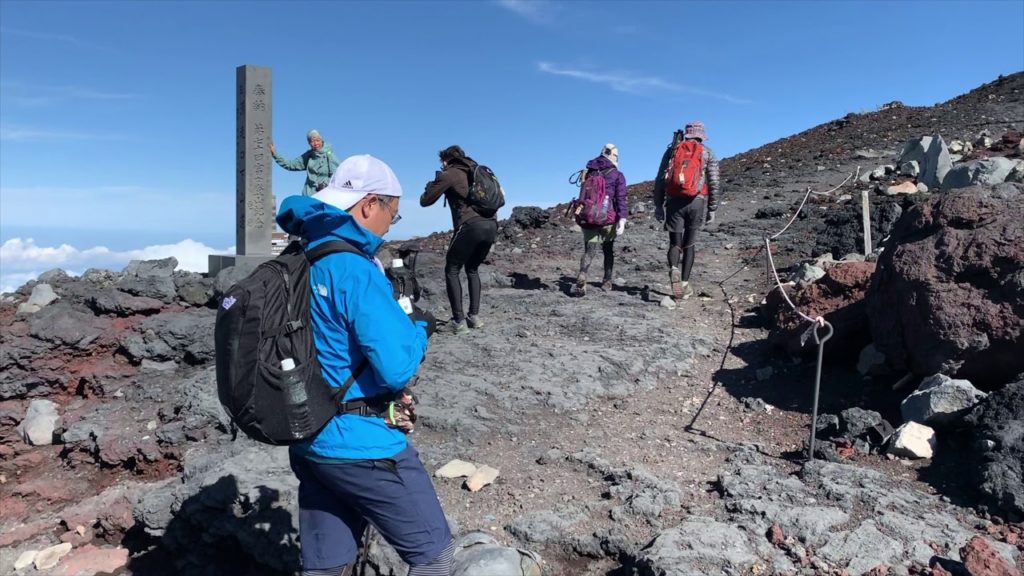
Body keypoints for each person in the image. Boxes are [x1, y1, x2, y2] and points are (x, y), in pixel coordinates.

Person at [275, 155, 454, 576]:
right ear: (370, 204)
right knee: (434, 557)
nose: (392, 223)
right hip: (362, 447)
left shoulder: (302, 257)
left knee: (327, 566)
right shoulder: (354, 268)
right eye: (393, 211)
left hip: (309, 435)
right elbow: (395, 367)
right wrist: (420, 330)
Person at [420, 145, 498, 335]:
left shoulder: (450, 174)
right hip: (491, 225)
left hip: (470, 225)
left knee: (452, 269)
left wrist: (432, 184)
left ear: (446, 160)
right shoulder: (476, 171)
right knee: (472, 268)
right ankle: (474, 317)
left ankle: (459, 321)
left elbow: (425, 200)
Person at [652, 121, 720, 299]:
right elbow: (713, 182)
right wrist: (712, 208)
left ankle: (674, 268)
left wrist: (658, 205)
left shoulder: (673, 150)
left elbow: (660, 178)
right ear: (701, 135)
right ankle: (684, 283)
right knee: (689, 244)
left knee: (675, 243)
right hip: (696, 202)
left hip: (674, 202)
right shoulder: (707, 153)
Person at [572, 144, 628, 296]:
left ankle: (583, 274)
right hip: (608, 217)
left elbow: (583, 194)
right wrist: (622, 218)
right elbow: (621, 198)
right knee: (608, 249)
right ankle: (607, 281)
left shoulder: (589, 171)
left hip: (588, 216)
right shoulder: (617, 174)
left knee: (589, 249)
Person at [270, 129, 341, 196]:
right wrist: (275, 154)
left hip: (324, 195)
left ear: (322, 140)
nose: (315, 143)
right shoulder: (308, 155)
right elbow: (290, 165)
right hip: (308, 195)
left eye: (317, 140)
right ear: (309, 143)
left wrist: (324, 184)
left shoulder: (329, 154)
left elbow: (337, 175)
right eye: (312, 141)